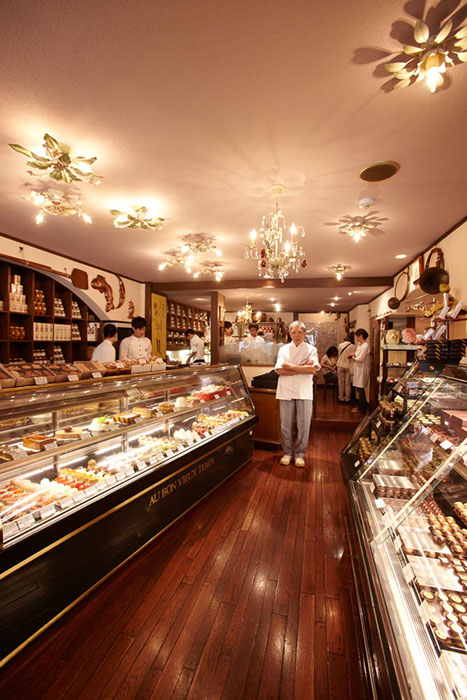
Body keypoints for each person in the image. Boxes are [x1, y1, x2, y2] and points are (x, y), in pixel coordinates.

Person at [275, 320, 321, 468]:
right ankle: (287, 452)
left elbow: (312, 370)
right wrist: (302, 367)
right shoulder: (283, 349)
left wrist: (290, 366)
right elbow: (280, 370)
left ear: (305, 333)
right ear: (289, 333)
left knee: (304, 425)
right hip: (286, 390)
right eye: (293, 332)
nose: (296, 335)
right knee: (286, 425)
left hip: (304, 391)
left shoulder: (311, 349)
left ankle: (300, 454)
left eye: (300, 332)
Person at [349, 329, 370, 414]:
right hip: (358, 369)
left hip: (362, 369)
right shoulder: (360, 345)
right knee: (359, 389)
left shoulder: (365, 346)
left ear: (361, 336)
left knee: (361, 389)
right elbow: (357, 355)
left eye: (357, 336)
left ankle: (361, 408)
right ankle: (360, 407)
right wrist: (354, 355)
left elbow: (360, 359)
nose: (356, 338)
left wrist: (353, 357)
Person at [337, 333, 355, 402]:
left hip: (340, 364)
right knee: (347, 382)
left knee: (340, 382)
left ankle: (341, 397)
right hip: (348, 365)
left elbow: (339, 354)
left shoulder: (340, 345)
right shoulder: (353, 346)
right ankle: (347, 398)